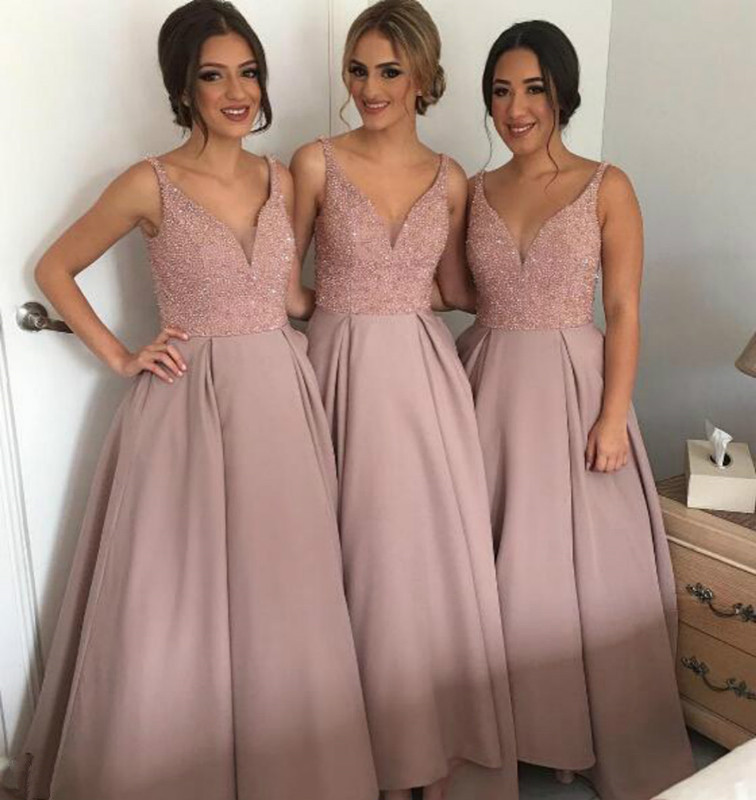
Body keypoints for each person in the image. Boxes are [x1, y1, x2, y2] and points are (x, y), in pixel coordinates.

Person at [13, 2, 377, 798]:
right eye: (215, 76)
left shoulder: (283, 178)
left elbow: (289, 297)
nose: (237, 92)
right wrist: (120, 355)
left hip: (279, 397)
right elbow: (53, 269)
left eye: (248, 73)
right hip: (188, 408)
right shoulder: (150, 182)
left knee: (285, 583)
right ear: (183, 88)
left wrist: (383, 306)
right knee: (178, 598)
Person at [449, 20, 695, 800]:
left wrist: (613, 417)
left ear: (563, 93)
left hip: (576, 385)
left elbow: (623, 309)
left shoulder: (606, 185)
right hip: (486, 381)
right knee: (488, 562)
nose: (515, 108)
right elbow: (453, 289)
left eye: (533, 89)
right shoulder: (474, 190)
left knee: (578, 572)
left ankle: (578, 731)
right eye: (500, 91)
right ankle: (501, 732)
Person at [291, 2, 517, 799]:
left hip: (424, 379)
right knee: (351, 558)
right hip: (339, 370)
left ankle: (431, 751)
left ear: (423, 76)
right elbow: (281, 288)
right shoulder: (314, 162)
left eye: (389, 70)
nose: (370, 87)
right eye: (358, 69)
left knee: (423, 564)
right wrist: (345, 309)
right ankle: (366, 760)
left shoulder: (452, 178)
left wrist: (541, 304)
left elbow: (452, 287)